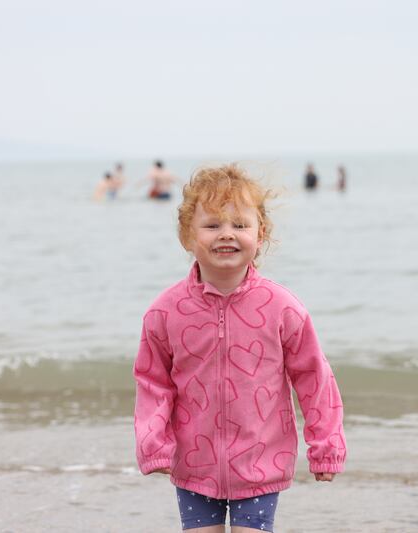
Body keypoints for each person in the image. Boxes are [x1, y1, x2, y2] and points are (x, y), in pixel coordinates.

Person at [133, 164, 347, 532]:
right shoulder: (165, 311)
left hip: (260, 459)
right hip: (194, 464)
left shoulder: (282, 307)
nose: (226, 234)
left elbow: (313, 377)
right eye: (212, 225)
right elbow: (153, 382)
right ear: (187, 236)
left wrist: (326, 445)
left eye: (240, 225)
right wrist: (154, 442)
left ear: (260, 234)